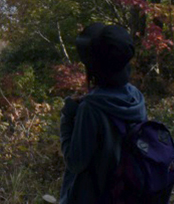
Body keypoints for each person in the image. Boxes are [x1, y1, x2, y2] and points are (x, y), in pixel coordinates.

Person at [59, 23, 147, 204]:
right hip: (127, 193)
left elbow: (75, 162)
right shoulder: (135, 97)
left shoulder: (91, 109)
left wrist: (67, 119)